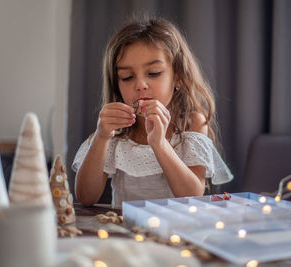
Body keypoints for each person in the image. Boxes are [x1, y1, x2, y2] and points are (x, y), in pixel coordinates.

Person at [72, 17, 233, 207]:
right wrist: (101, 137)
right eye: (127, 77)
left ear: (178, 77)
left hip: (175, 231)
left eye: (154, 73)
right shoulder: (116, 129)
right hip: (126, 232)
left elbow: (192, 194)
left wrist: (159, 143)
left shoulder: (192, 123)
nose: (140, 85)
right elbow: (85, 197)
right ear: (117, 84)